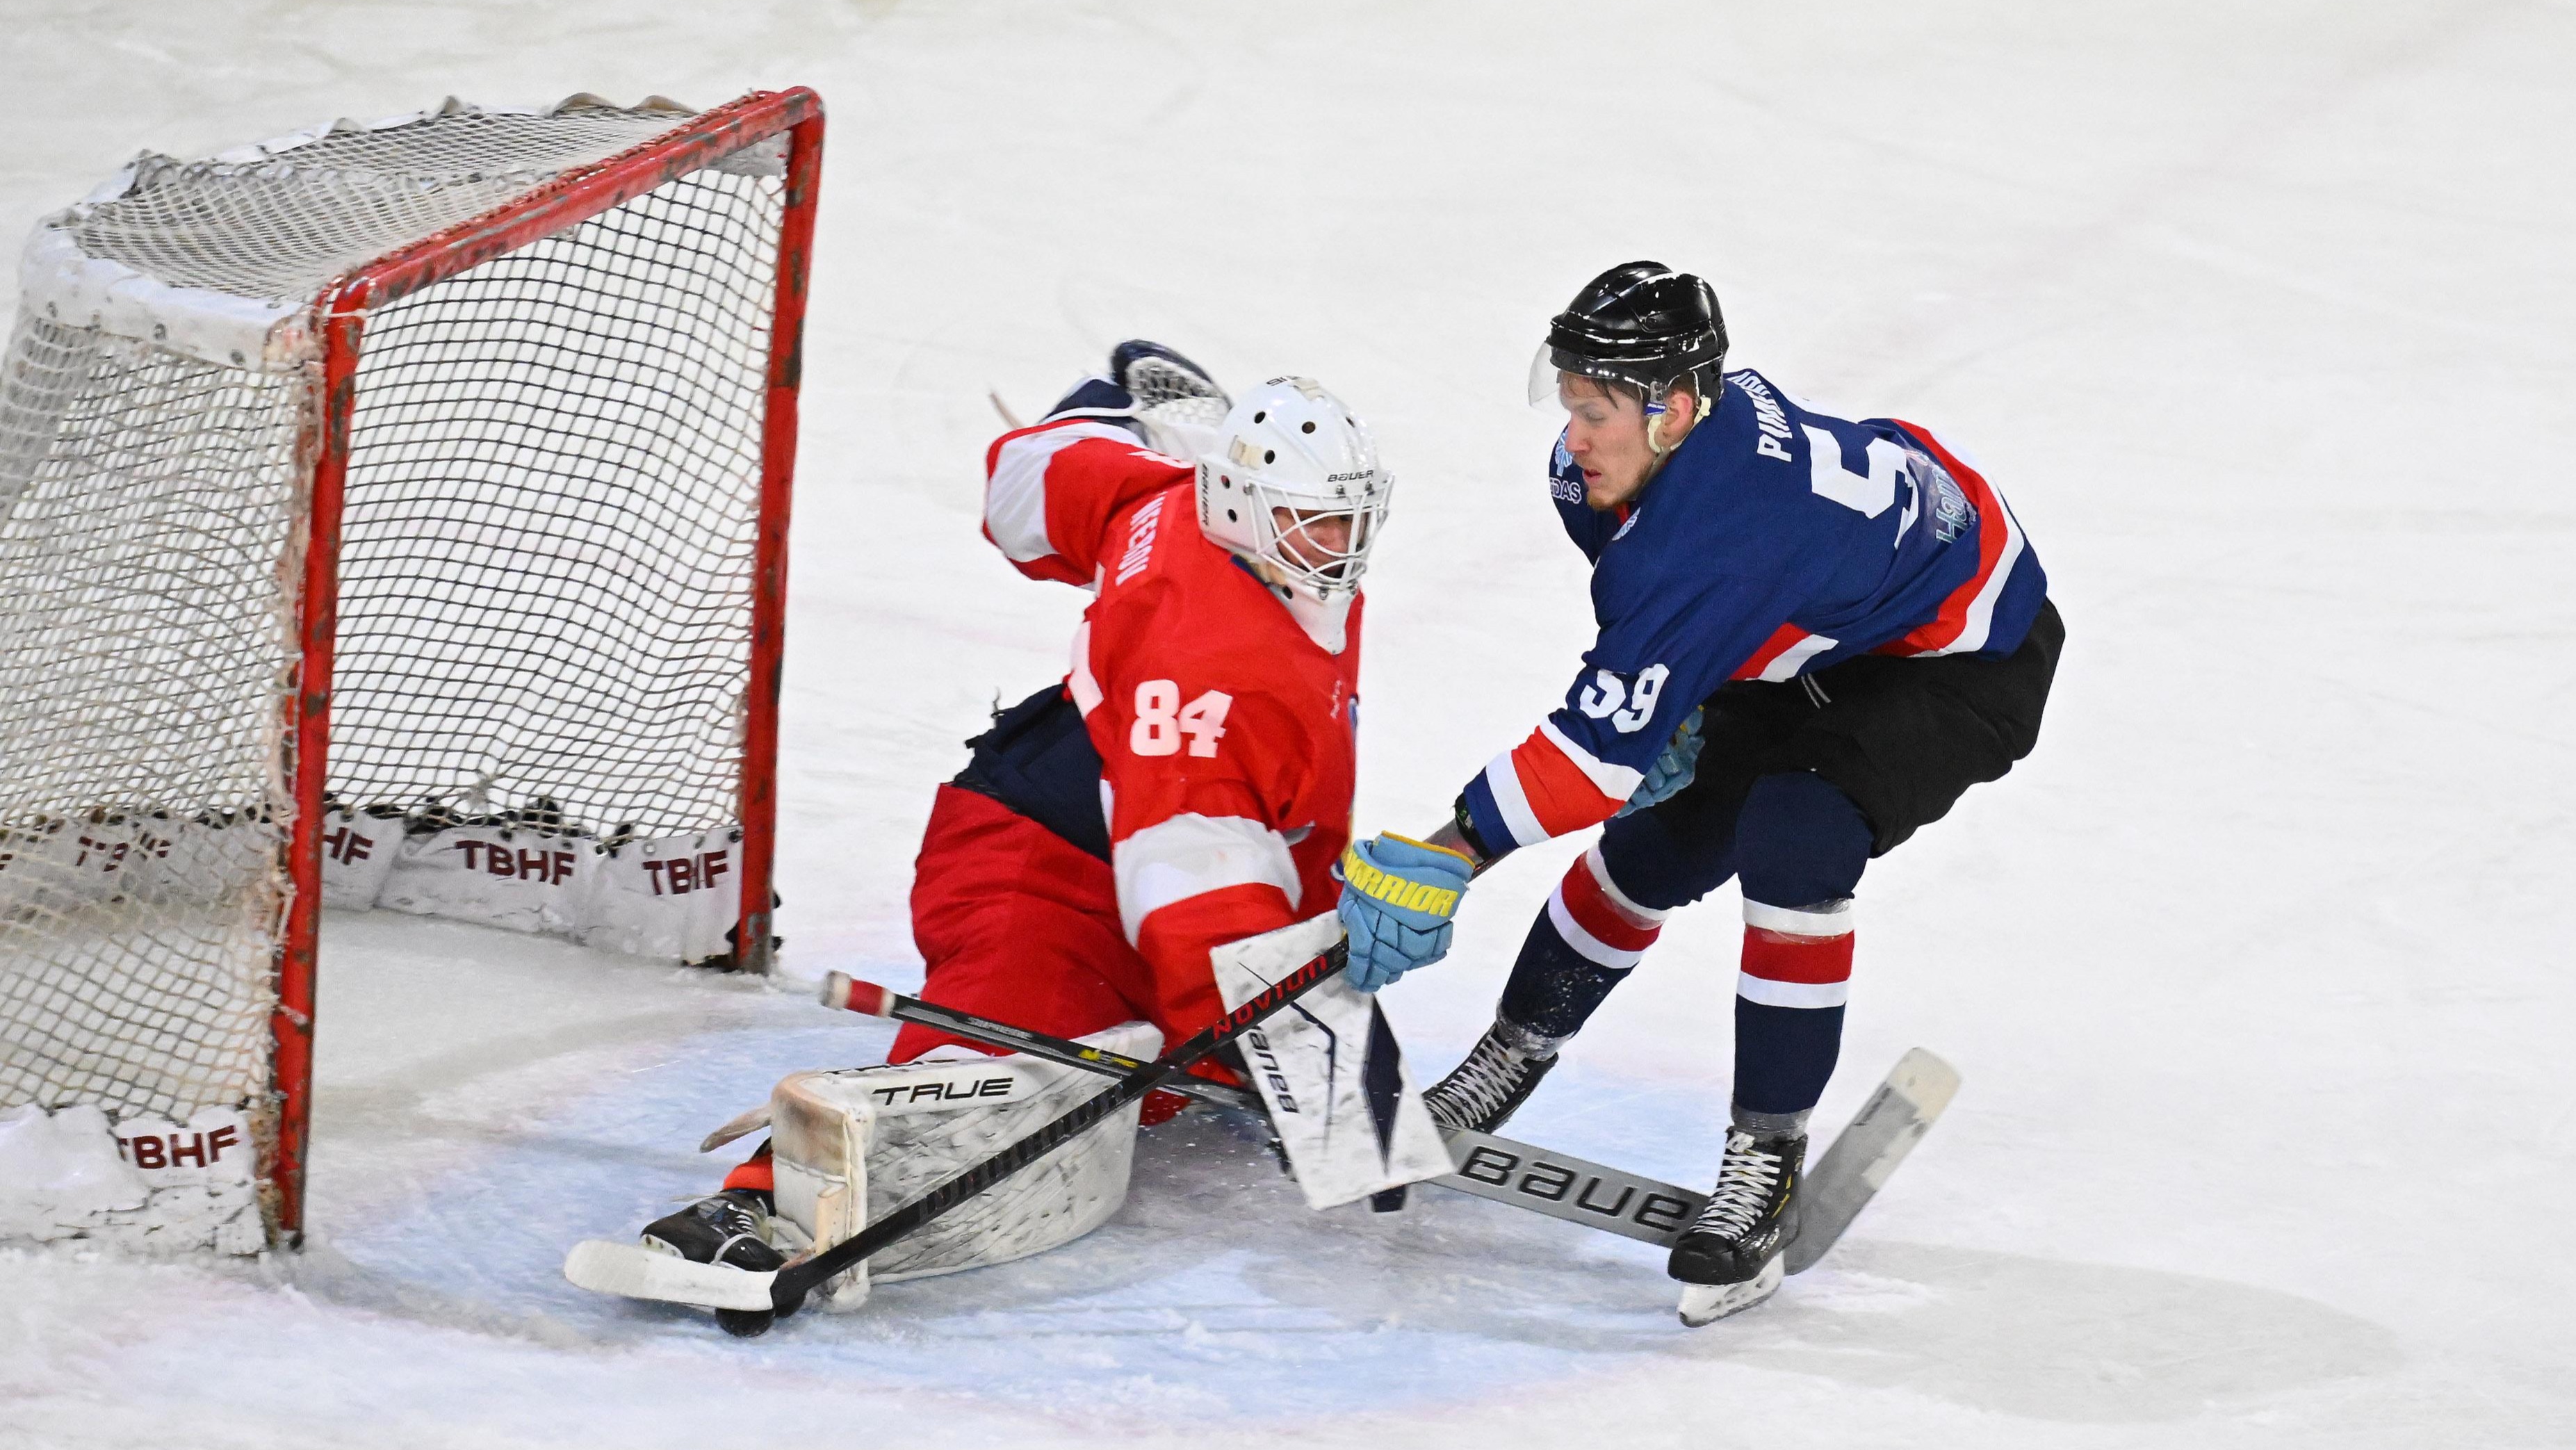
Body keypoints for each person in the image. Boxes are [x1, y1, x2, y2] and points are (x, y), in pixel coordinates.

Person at [1334, 262, 2062, 1319]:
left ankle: (1761, 1160)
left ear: (1674, 410)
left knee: (1793, 835)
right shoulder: (1630, 474)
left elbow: (1590, 754)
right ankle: (1508, 1057)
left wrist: (1452, 853)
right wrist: (1665, 702)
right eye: (1570, 402)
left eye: (1596, 411)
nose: (1571, 435)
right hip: (1826, 614)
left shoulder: (1721, 532)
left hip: (1964, 659)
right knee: (1657, 845)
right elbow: (1637, 668)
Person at [639, 343, 1392, 1286]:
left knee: (1165, 1066)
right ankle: (755, 1206)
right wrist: (1289, 1045)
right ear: (1239, 505)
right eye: (1310, 521)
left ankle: (1208, 1030)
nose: (1338, 545)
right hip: (1036, 869)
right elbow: (1191, 882)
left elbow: (1030, 477)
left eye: (1347, 518)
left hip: (1121, 820)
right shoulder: (1207, 656)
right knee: (989, 1056)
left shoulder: (1175, 502)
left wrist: (1108, 413)